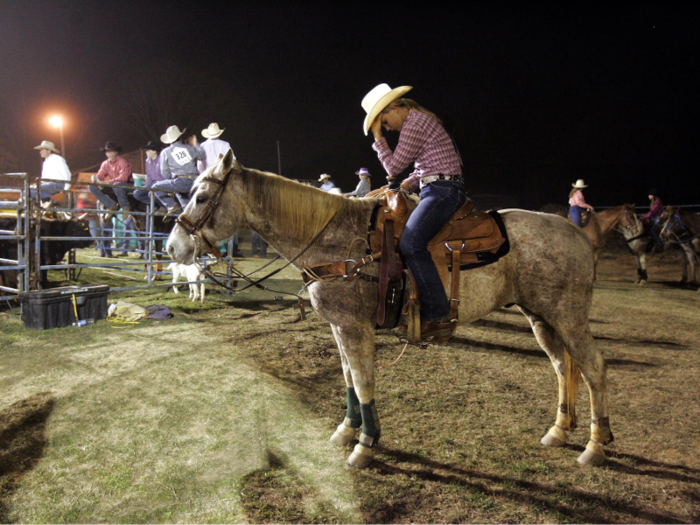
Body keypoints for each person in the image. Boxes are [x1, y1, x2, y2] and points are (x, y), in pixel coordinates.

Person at [362, 83, 466, 341]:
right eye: (382, 127)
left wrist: (378, 139)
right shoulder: (419, 122)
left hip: (442, 191)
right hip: (437, 186)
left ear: (394, 108)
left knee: (411, 243)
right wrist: (400, 185)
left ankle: (438, 316)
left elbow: (394, 166)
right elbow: (422, 169)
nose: (387, 128)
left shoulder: (414, 123)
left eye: (384, 121)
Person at [151, 125, 206, 221]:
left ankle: (171, 206)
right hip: (196, 182)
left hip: (180, 181)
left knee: (155, 187)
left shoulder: (165, 152)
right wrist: (195, 143)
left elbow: (165, 173)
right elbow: (202, 155)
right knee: (189, 208)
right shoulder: (189, 148)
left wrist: (171, 181)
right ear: (180, 137)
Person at [89, 141, 132, 220]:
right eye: (107, 151)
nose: (108, 153)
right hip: (113, 185)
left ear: (116, 152)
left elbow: (124, 178)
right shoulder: (105, 163)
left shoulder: (122, 162)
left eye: (111, 151)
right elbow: (101, 174)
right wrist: (95, 179)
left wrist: (106, 182)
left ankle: (126, 207)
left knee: (117, 185)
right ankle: (111, 205)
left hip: (126, 185)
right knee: (91, 186)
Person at [30, 141, 71, 205]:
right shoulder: (46, 162)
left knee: (31, 192)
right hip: (50, 184)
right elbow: (45, 178)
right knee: (29, 190)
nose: (40, 152)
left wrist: (66, 187)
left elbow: (66, 173)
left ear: (49, 150)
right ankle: (49, 204)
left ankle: (52, 203)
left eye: (42, 150)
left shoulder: (57, 159)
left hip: (57, 184)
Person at [76, 192, 111, 257]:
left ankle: (101, 249)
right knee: (97, 234)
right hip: (89, 220)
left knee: (98, 234)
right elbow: (83, 209)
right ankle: (101, 249)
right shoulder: (83, 202)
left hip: (91, 219)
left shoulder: (87, 202)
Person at [133, 140, 164, 208]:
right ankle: (157, 205)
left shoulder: (162, 160)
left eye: (148, 150)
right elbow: (149, 176)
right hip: (152, 184)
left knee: (151, 193)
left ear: (154, 151)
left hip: (161, 183)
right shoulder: (148, 161)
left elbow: (166, 174)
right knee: (137, 193)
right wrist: (145, 186)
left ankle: (163, 206)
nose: (146, 152)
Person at [641, 188, 664, 252]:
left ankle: (660, 244)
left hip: (658, 218)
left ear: (653, 195)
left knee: (653, 231)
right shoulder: (653, 202)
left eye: (649, 195)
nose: (648, 196)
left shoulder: (657, 202)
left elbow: (652, 211)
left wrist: (644, 217)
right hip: (654, 218)